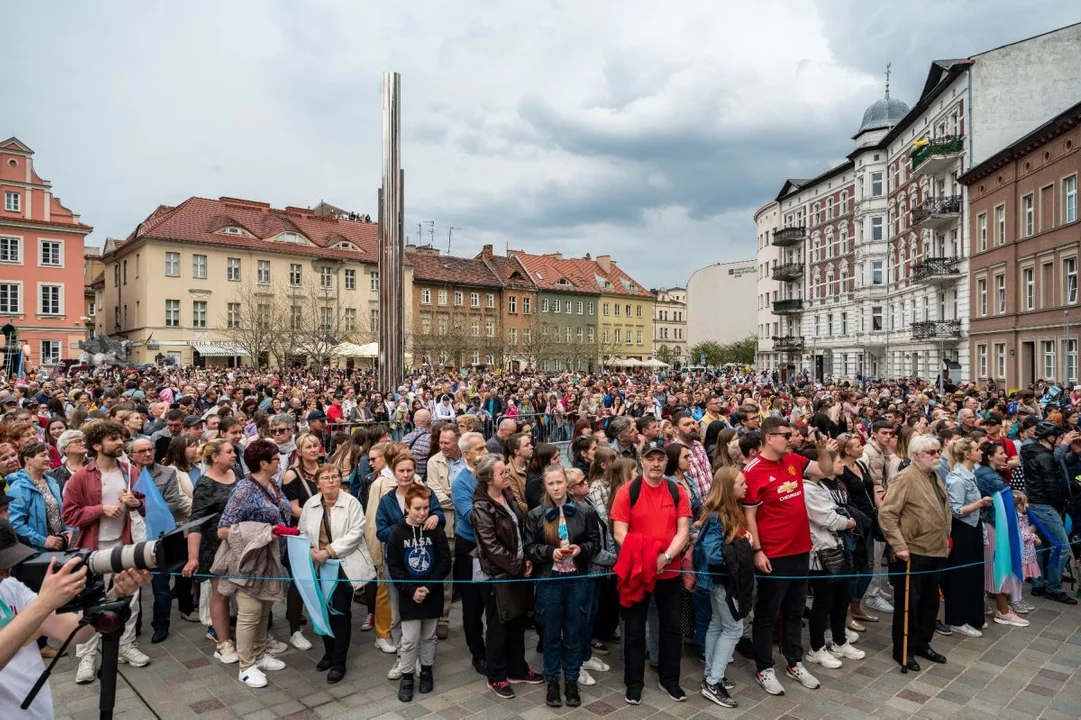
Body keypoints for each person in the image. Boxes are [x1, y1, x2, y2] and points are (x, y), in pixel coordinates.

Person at [0, 519, 150, 720]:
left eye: (9, 562)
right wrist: (45, 602)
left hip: (35, 711)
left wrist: (114, 595)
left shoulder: (10, 587)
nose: (6, 571)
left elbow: (75, 632)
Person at [742, 418, 836, 696]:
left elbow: (825, 470)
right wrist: (758, 551)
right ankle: (764, 667)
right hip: (773, 553)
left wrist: (823, 451)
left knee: (795, 610)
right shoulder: (753, 471)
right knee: (768, 613)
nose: (793, 439)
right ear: (769, 438)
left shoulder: (793, 459)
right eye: (786, 435)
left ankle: (794, 661)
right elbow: (749, 515)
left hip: (800, 549)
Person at [61, 420, 151, 683]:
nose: (120, 442)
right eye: (113, 438)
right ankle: (87, 656)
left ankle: (126, 645)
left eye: (120, 438)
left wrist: (135, 503)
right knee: (90, 604)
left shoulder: (131, 471)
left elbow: (145, 506)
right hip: (93, 548)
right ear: (97, 445)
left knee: (130, 600)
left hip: (125, 544)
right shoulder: (81, 477)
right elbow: (70, 514)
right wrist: (100, 510)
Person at [610, 439, 692, 705]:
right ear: (642, 461)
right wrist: (647, 558)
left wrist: (666, 556)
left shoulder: (677, 490)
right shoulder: (627, 491)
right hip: (638, 571)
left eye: (660, 459)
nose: (655, 464)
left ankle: (671, 679)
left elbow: (683, 531)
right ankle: (633, 683)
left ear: (665, 462)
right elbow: (619, 532)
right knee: (634, 629)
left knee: (671, 628)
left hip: (669, 571)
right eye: (650, 459)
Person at [214, 438, 292, 688]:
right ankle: (246, 666)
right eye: (276, 459)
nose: (279, 462)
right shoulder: (244, 490)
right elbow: (223, 529)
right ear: (263, 463)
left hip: (271, 561)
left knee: (265, 609)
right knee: (250, 613)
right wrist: (262, 532)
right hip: (249, 563)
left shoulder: (271, 484)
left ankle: (259, 653)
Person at [524, 465, 600, 708]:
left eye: (559, 483)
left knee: (574, 631)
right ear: (545, 486)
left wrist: (581, 550)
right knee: (551, 632)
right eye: (551, 484)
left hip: (576, 579)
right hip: (550, 581)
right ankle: (552, 681)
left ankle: (571, 679)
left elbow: (595, 543)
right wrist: (549, 552)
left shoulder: (585, 510)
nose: (556, 488)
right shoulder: (536, 514)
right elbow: (529, 547)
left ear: (567, 484)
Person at [471, 453, 543, 699]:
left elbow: (522, 525)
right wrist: (517, 565)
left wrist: (527, 560)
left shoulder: (508, 495)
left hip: (518, 570)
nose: (507, 475)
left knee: (517, 622)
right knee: (498, 625)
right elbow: (490, 546)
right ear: (488, 479)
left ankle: (517, 668)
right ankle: (497, 676)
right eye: (502, 473)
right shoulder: (481, 506)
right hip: (497, 576)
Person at [878, 434, 952, 671]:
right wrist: (899, 546)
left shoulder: (932, 475)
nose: (937, 455)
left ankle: (922, 643)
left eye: (938, 451)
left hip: (936, 550)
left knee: (930, 603)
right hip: (912, 552)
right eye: (932, 452)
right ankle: (903, 650)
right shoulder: (905, 477)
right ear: (917, 455)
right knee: (909, 605)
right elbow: (887, 514)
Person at [297, 465, 374, 684]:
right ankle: (328, 652)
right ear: (317, 482)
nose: (331, 481)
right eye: (326, 478)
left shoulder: (351, 503)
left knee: (339, 612)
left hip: (341, 563)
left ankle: (339, 660)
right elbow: (302, 530)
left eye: (335, 477)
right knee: (321, 609)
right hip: (317, 564)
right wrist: (311, 549)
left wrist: (328, 551)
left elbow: (356, 533)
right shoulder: (311, 504)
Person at [375, 449, 445, 681]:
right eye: (401, 471)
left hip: (425, 560)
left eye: (410, 470)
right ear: (393, 473)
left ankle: (422, 659)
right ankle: (403, 655)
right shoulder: (387, 500)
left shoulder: (425, 493)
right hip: (399, 561)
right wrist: (403, 529)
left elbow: (437, 515)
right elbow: (381, 530)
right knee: (397, 612)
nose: (406, 475)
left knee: (425, 615)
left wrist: (435, 517)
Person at [385, 483, 452, 702]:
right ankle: (406, 676)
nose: (422, 513)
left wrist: (430, 586)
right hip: (408, 595)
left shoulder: (436, 531)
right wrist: (412, 590)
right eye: (417, 508)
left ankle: (426, 671)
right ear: (407, 508)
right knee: (410, 638)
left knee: (429, 636)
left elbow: (444, 561)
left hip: (431, 592)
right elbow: (394, 567)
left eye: (426, 508)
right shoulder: (397, 533)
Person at [694, 466, 752, 709]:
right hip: (721, 582)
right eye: (741, 483)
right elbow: (714, 553)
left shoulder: (728, 511)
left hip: (721, 581)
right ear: (729, 489)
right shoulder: (719, 516)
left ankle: (711, 674)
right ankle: (713, 681)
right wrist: (742, 545)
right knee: (734, 628)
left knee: (717, 624)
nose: (746, 486)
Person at [803, 448, 865, 671]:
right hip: (820, 553)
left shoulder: (820, 486)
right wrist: (846, 522)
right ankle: (816, 648)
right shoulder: (808, 489)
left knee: (842, 596)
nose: (830, 465)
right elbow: (828, 518)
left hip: (834, 547)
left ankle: (839, 641)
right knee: (823, 601)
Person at [181, 439, 242, 662]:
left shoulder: (237, 472)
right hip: (215, 547)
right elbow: (196, 522)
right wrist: (193, 558)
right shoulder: (205, 484)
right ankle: (223, 643)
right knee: (221, 594)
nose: (234, 455)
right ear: (215, 457)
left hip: (239, 544)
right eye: (229, 452)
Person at [1021, 422, 1078, 605]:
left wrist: (1072, 451)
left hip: (1038, 504)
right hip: (1045, 506)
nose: (1063, 440)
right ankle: (1053, 587)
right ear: (1051, 438)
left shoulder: (1036, 451)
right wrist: (1060, 505)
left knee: (1039, 545)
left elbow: (1060, 461)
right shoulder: (1044, 455)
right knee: (1061, 547)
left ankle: (1039, 583)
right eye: (1060, 437)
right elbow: (1051, 483)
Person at [974, 441, 1030, 625]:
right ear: (989, 457)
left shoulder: (990, 473)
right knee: (997, 567)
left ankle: (991, 605)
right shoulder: (989, 477)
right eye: (1001, 453)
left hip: (995, 523)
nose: (1006, 456)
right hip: (994, 525)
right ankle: (1003, 610)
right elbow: (1008, 497)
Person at [942, 438, 993, 637]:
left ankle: (973, 616)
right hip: (962, 530)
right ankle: (957, 619)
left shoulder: (970, 474)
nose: (981, 452)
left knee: (973, 574)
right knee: (961, 577)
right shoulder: (956, 478)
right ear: (967, 454)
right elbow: (955, 509)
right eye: (977, 449)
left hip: (973, 528)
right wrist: (979, 504)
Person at [451, 432, 490, 675]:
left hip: (494, 544)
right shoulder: (461, 482)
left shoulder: (492, 472)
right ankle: (478, 651)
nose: (485, 452)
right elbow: (471, 516)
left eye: (485, 447)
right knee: (473, 603)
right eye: (480, 449)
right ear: (466, 454)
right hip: (470, 547)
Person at [281, 432, 325, 651]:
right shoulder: (292, 475)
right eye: (308, 447)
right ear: (299, 451)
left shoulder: (324, 470)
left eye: (316, 445)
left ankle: (319, 617)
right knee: (299, 581)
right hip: (301, 533)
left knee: (320, 577)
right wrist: (317, 518)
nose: (313, 449)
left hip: (323, 532)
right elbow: (292, 507)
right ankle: (294, 630)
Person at [425, 424, 463, 639]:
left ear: (458, 441)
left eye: (446, 442)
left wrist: (453, 493)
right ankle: (443, 619)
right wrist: (460, 495)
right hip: (447, 528)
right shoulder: (434, 462)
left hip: (469, 528)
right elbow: (435, 496)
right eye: (440, 442)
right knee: (445, 577)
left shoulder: (469, 460)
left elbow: (477, 492)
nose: (442, 446)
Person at [7, 442, 69, 552]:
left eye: (48, 455)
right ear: (27, 459)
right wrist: (43, 541)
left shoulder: (52, 482)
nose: (48, 459)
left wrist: (68, 530)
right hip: (36, 551)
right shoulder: (19, 487)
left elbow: (62, 513)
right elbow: (15, 524)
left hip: (59, 546)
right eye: (42, 455)